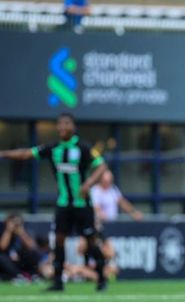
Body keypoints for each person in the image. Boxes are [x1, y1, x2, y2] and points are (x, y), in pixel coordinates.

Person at [0, 113, 108, 291]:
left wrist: (88, 183)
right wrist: (3, 153)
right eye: (60, 124)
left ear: (73, 126)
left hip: (82, 204)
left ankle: (102, 278)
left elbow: (102, 166)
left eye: (66, 123)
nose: (62, 127)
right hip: (63, 203)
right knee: (59, 240)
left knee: (90, 240)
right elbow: (27, 153)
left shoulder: (84, 147)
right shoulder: (53, 148)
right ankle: (58, 282)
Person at [0, 213, 41, 281]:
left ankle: (33, 275)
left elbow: (32, 247)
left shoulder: (25, 231)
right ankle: (17, 276)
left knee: (33, 254)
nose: (15, 225)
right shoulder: (3, 231)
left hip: (20, 260)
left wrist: (21, 233)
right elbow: (2, 247)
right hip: (7, 261)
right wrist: (8, 230)